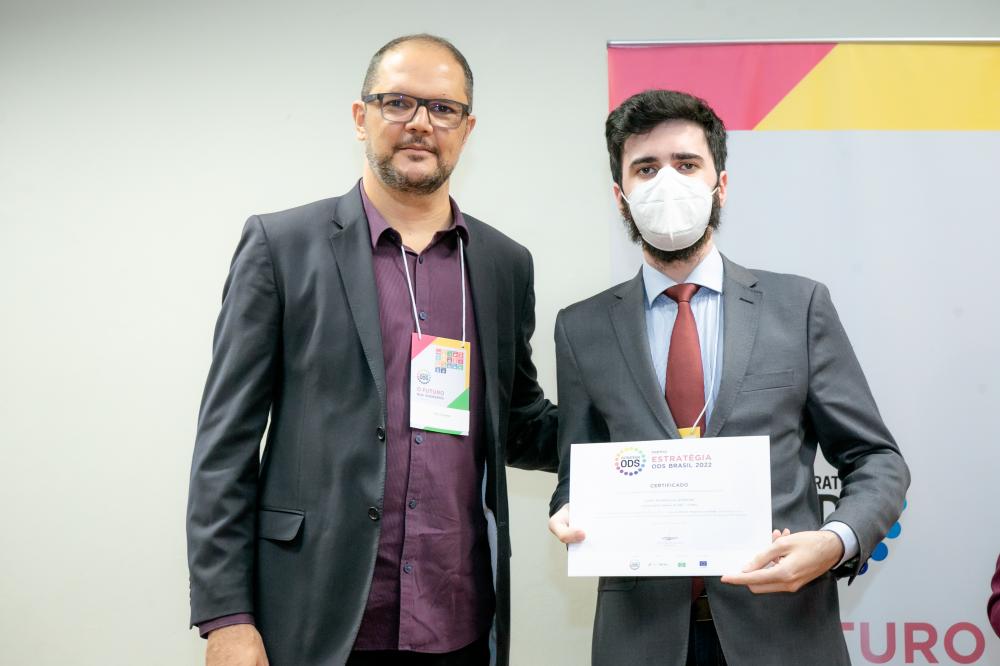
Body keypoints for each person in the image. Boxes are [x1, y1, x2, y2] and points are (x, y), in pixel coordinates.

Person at [187, 33, 557, 666]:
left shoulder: (504, 263)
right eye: (398, 102)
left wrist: (632, 424)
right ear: (362, 117)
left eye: (443, 108)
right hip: (317, 622)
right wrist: (227, 617)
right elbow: (225, 446)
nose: (421, 123)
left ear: (467, 129)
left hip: (458, 622)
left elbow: (517, 424)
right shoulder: (282, 247)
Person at [547, 89, 909, 665]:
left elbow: (876, 459)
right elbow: (576, 474)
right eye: (646, 168)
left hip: (784, 631)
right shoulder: (581, 328)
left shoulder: (798, 307)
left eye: (686, 164)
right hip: (641, 638)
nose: (667, 182)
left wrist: (833, 542)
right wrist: (569, 510)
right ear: (621, 195)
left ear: (721, 184)